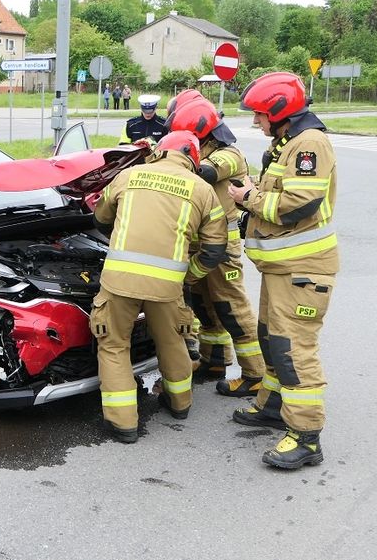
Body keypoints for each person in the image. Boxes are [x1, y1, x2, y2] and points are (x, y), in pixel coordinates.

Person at [92, 104, 228, 443]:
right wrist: (188, 275)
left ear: (159, 150)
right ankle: (179, 402)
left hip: (119, 283)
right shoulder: (203, 190)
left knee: (113, 345)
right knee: (172, 341)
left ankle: (124, 424)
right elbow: (214, 248)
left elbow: (100, 218)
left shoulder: (128, 176)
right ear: (192, 159)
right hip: (168, 286)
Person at [228, 71, 338, 470]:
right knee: (271, 340)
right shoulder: (289, 143)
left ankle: (307, 439)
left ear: (278, 111)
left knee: (293, 351)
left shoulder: (309, 144)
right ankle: (274, 407)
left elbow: (300, 203)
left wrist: (248, 197)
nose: (255, 121)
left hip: (303, 271)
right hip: (281, 269)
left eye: (259, 114)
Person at [165, 90, 266, 397]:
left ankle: (256, 373)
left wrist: (164, 159)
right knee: (204, 306)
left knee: (231, 308)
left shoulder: (229, 154)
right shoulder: (201, 148)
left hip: (222, 249)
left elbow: (204, 171)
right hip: (199, 245)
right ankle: (215, 360)